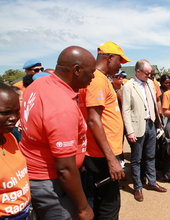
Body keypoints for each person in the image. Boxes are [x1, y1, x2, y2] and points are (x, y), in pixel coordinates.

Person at [19, 46, 95, 219]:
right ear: (76, 70)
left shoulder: (39, 84)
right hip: (52, 182)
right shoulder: (61, 107)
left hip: (36, 176)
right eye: (91, 72)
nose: (93, 77)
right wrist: (83, 208)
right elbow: (65, 169)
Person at [78, 41, 129, 219]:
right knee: (109, 205)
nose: (120, 66)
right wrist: (111, 158)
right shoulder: (97, 80)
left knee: (103, 201)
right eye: (119, 61)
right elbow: (93, 120)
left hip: (105, 152)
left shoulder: (101, 79)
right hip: (102, 155)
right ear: (109, 58)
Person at [122, 60, 167, 202]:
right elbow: (126, 110)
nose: (150, 75)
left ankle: (152, 182)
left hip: (151, 125)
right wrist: (129, 131)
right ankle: (138, 187)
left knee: (151, 156)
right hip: (137, 127)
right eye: (147, 73)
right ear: (138, 72)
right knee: (136, 159)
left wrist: (158, 124)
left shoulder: (151, 84)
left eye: (150, 73)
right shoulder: (129, 86)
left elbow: (154, 104)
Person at [0, 83, 31, 219]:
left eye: (16, 111)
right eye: (5, 113)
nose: (14, 118)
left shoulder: (10, 137)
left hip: (24, 213)